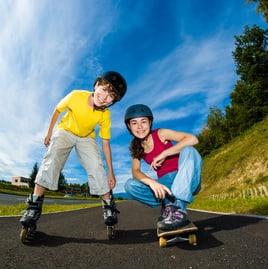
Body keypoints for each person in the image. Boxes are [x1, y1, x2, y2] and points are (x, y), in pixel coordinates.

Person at [20, 71, 127, 228]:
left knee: (96, 166)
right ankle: (34, 205)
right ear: (96, 85)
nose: (105, 97)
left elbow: (105, 143)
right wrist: (49, 132)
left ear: (113, 101)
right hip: (66, 131)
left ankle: (108, 205)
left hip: (86, 137)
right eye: (104, 89)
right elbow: (57, 110)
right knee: (53, 158)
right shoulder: (76, 96)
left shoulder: (105, 114)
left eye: (111, 96)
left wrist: (111, 172)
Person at [124, 104, 202, 230]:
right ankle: (168, 205)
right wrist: (152, 183)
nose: (139, 127)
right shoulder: (135, 146)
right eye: (134, 123)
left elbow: (193, 139)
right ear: (129, 126)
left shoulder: (161, 133)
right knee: (129, 185)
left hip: (186, 179)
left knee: (189, 150)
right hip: (166, 187)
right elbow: (135, 171)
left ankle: (179, 209)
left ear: (150, 122)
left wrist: (165, 153)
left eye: (143, 121)